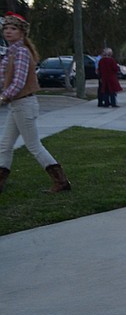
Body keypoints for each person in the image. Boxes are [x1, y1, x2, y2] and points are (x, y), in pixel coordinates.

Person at [0, 12, 71, 193]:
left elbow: (18, 82)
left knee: (33, 145)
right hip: (17, 106)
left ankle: (61, 181)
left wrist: (3, 97)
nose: (8, 32)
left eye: (13, 28)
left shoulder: (22, 52)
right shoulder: (10, 53)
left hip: (24, 104)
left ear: (22, 33)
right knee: (5, 145)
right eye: (6, 28)